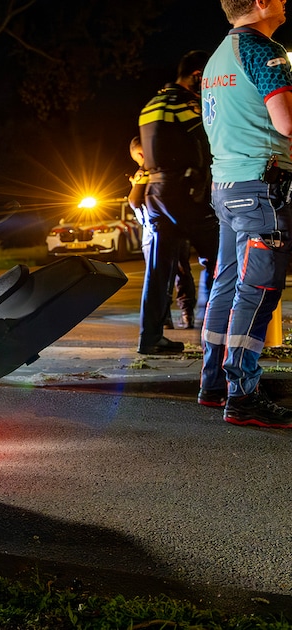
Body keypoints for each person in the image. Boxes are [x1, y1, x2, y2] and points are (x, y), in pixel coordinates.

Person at [199, 0, 292, 427]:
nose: (285, 1)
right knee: (258, 291)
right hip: (262, 186)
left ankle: (214, 383)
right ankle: (244, 395)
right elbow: (287, 122)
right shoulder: (262, 49)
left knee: (228, 282)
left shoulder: (218, 56)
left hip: (227, 186)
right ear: (260, 2)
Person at [137, 51, 220, 354]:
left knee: (158, 271)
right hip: (184, 193)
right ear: (198, 76)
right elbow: (208, 140)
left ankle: (150, 338)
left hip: (155, 194)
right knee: (220, 257)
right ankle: (215, 330)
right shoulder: (185, 104)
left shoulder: (150, 104)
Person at [128, 137, 197, 330]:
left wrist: (135, 186)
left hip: (155, 230)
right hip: (178, 225)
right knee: (183, 271)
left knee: (159, 274)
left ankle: (164, 319)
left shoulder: (143, 171)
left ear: (139, 154)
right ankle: (187, 314)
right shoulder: (169, 167)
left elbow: (134, 201)